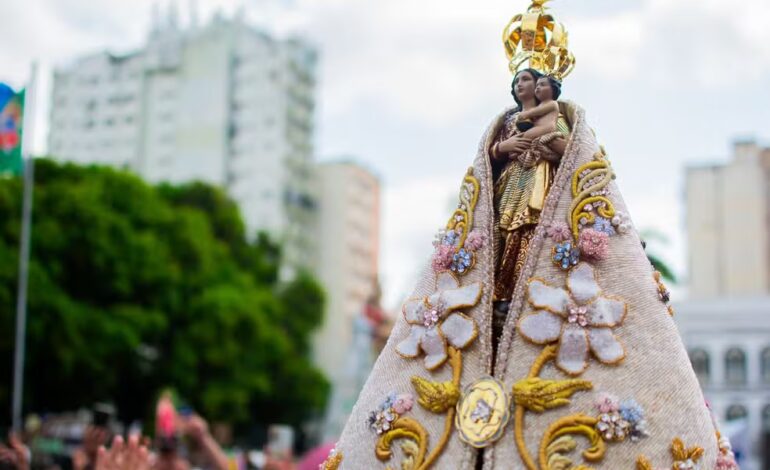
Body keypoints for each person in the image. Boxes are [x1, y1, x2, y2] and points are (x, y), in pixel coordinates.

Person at [327, 0, 739, 469]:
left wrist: (546, 145)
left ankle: (521, 296)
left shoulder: (555, 115)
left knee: (530, 241)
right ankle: (502, 293)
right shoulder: (507, 121)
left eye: (532, 80)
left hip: (544, 193)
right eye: (521, 80)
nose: (525, 85)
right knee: (506, 244)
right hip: (510, 190)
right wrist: (510, 145)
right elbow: (494, 154)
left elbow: (566, 149)